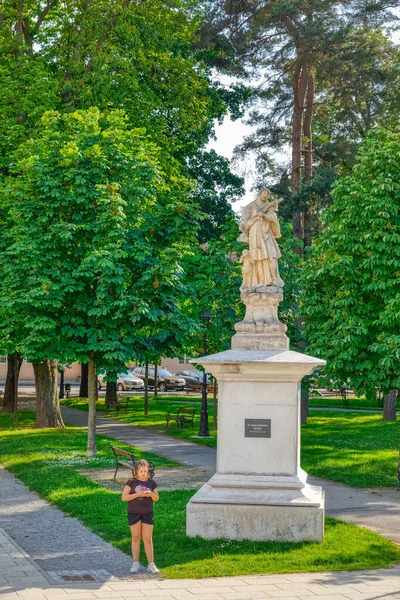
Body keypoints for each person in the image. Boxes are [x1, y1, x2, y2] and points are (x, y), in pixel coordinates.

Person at [239, 188, 284, 287]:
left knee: (270, 256)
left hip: (267, 233)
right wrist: (242, 225)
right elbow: (244, 220)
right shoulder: (250, 206)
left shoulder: (269, 206)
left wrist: (263, 215)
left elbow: (273, 217)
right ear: (259, 193)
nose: (266, 196)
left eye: (268, 194)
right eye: (265, 193)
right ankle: (260, 280)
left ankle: (272, 279)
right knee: (258, 257)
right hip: (254, 233)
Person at [122, 459, 159, 574]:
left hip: (148, 513)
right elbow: (124, 497)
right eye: (141, 471)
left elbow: (156, 498)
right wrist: (137, 494)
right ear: (136, 471)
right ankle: (135, 563)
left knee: (147, 538)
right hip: (134, 513)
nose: (143, 473)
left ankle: (151, 564)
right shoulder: (131, 482)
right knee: (136, 537)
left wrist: (150, 493)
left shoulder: (151, 482)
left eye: (145, 471)